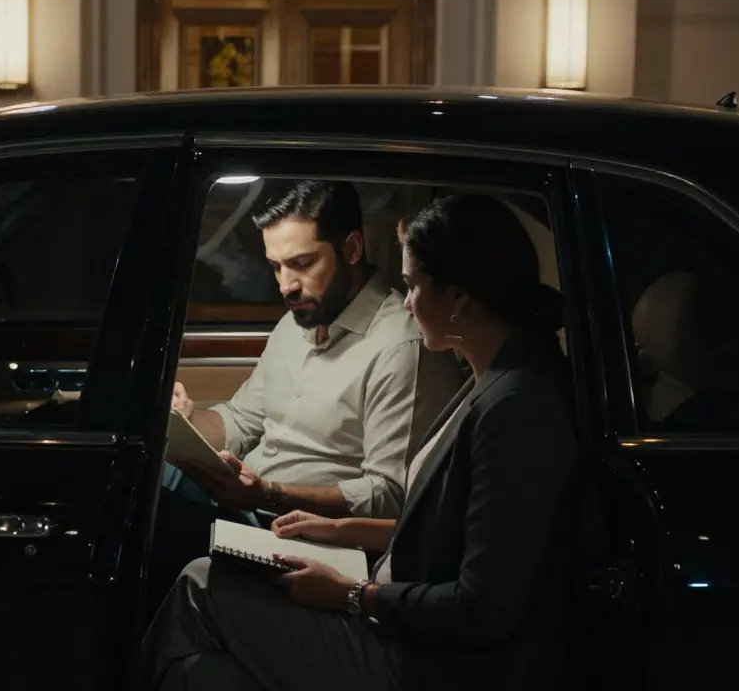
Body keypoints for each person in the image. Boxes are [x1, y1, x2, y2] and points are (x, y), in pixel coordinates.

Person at [140, 193, 582, 690]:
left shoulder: (514, 407)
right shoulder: (486, 382)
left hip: (424, 654)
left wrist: (353, 594)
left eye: (413, 285)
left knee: (198, 581)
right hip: (389, 597)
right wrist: (338, 529)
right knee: (201, 671)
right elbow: (438, 529)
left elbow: (482, 606)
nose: (407, 301)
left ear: (458, 296)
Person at [151, 180, 465, 614]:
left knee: (149, 524)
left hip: (301, 533)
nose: (286, 285)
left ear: (352, 249)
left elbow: (391, 495)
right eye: (276, 267)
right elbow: (241, 421)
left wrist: (268, 493)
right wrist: (184, 421)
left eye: (302, 263)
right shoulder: (295, 324)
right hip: (252, 506)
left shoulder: (400, 345)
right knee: (146, 476)